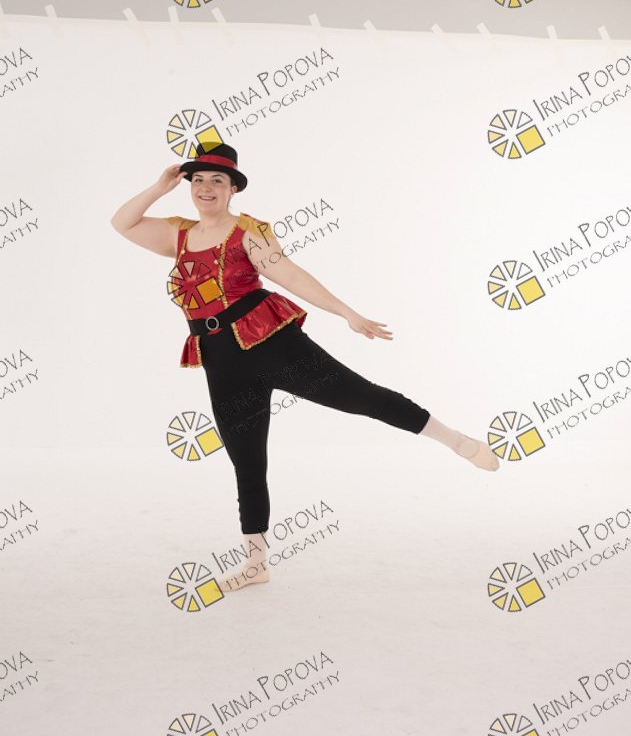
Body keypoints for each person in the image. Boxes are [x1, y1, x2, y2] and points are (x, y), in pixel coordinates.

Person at [111, 143, 499, 593]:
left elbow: (291, 276)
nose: (206, 188)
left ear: (233, 188)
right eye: (198, 180)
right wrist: (159, 187)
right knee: (246, 459)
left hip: (273, 345)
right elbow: (122, 223)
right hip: (220, 358)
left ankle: (457, 441)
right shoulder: (177, 234)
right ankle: (255, 563)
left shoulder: (248, 232)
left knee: (363, 397)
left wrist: (347, 313)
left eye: (217, 180)